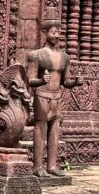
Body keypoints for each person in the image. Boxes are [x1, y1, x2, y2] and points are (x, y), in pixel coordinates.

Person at [24, 19, 82, 177]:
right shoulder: (36, 55)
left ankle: (52, 165)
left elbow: (65, 81)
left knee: (55, 131)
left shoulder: (65, 57)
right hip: (42, 95)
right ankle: (37, 166)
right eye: (53, 32)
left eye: (58, 32)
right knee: (40, 129)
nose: (57, 35)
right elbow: (30, 80)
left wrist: (75, 82)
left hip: (57, 97)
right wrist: (42, 80)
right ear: (45, 33)